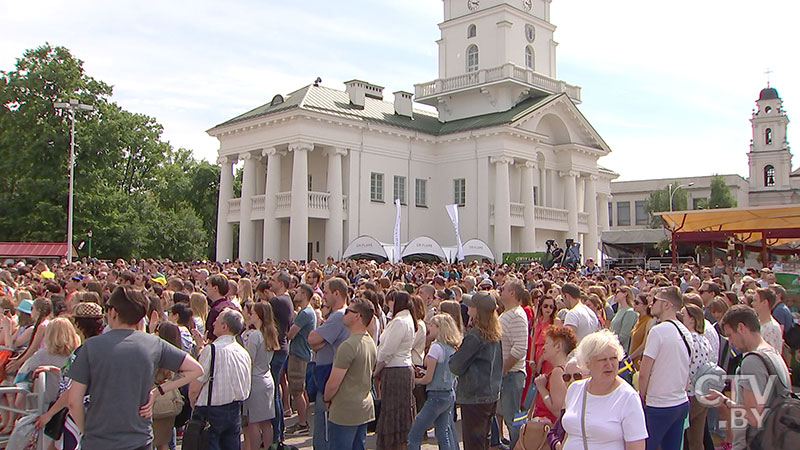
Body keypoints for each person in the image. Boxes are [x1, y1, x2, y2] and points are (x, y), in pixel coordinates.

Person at [68, 286, 204, 450]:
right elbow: (196, 369)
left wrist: (85, 432)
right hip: (139, 439)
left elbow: (74, 401)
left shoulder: (90, 347)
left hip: (98, 439)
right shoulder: (153, 343)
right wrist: (158, 391)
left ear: (113, 312)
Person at [704, 305, 791, 450]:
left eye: (730, 335)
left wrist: (725, 401)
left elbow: (753, 416)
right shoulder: (774, 353)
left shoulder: (752, 361)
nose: (730, 342)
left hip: (753, 442)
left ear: (741, 327)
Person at [561, 329, 648, 450]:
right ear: (588, 363)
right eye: (602, 360)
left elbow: (636, 446)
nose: (609, 364)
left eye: (613, 358)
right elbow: (570, 434)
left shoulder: (628, 397)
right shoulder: (574, 389)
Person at [189, 308, 252, 450]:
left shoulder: (212, 350)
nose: (213, 324)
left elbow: (195, 386)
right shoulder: (243, 353)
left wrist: (194, 403)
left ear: (224, 327)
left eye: (216, 321)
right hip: (234, 409)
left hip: (211, 410)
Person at [637, 286, 691, 450]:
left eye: (654, 300)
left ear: (666, 304)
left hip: (659, 404)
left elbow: (643, 373)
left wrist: (642, 397)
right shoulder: (685, 330)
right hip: (680, 401)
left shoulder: (658, 331)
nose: (650, 304)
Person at [449, 291, 503, 450]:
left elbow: (455, 366)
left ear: (478, 310)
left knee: (473, 444)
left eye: (471, 306)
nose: (467, 308)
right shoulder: (496, 333)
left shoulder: (476, 335)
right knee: (483, 441)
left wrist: (457, 353)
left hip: (474, 397)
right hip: (491, 394)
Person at [323, 299, 377, 450]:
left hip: (345, 411)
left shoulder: (348, 346)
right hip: (363, 407)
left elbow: (333, 383)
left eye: (348, 311)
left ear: (357, 316)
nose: (344, 314)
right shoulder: (369, 341)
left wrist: (326, 398)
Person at [308, 278, 351, 450]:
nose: (322, 296)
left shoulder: (339, 316)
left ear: (336, 293)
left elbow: (312, 338)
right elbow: (316, 342)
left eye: (325, 292)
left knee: (324, 433)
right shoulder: (341, 315)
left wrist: (319, 337)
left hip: (328, 377)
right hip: (330, 374)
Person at [408, 313, 461, 450]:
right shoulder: (452, 348)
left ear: (439, 328)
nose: (428, 327)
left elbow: (428, 378)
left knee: (414, 434)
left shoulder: (436, 347)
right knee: (443, 433)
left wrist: (415, 380)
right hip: (449, 393)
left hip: (436, 395)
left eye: (432, 325)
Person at [374, 290, 417, 450]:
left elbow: (387, 350)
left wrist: (376, 370)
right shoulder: (404, 319)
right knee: (398, 412)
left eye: (390, 302)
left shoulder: (400, 321)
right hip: (400, 367)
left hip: (396, 369)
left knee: (395, 412)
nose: (388, 305)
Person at [242, 302, 280, 450]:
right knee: (266, 422)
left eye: (252, 313)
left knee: (253, 422)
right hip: (266, 378)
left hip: (255, 381)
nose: (250, 316)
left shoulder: (255, 336)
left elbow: (248, 360)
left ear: (258, 315)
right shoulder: (270, 333)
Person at [497, 279, 529, 448]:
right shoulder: (507, 313)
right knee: (504, 415)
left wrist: (504, 368)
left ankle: (518, 446)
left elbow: (520, 348)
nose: (500, 290)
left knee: (513, 418)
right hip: (507, 374)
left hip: (511, 375)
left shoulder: (516, 315)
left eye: (504, 288)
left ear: (512, 293)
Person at [679, 303, 714, 450]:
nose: (680, 317)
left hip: (689, 394)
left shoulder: (687, 340)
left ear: (692, 319)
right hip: (702, 393)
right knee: (697, 440)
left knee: (680, 437)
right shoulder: (704, 340)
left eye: (683, 315)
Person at [286, 283, 317, 435]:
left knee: (297, 391)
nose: (295, 294)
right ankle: (302, 421)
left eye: (298, 292)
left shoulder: (305, 313)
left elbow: (291, 334)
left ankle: (302, 423)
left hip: (299, 354)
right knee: (301, 390)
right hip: (302, 353)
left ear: (304, 295)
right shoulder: (307, 312)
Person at [530, 325, 576, 423]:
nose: (543, 347)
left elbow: (557, 410)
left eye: (547, 343)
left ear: (558, 346)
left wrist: (541, 388)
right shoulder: (564, 370)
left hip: (548, 429)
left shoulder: (558, 372)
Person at [269, 271, 294, 441]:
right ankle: (278, 432)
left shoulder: (278, 301)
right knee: (276, 389)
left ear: (281, 283)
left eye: (273, 280)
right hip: (281, 347)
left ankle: (277, 433)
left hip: (277, 348)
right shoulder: (286, 300)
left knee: (274, 393)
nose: (270, 283)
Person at [152, 322, 183, 450]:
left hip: (156, 400)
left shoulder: (158, 353)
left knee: (153, 440)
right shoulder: (178, 354)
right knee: (165, 441)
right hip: (170, 400)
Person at [205, 274, 238, 340]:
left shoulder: (216, 310)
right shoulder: (232, 305)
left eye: (208, 285)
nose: (206, 288)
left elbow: (211, 337)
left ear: (215, 288)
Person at [751, 288, 783, 352]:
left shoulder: (772, 328)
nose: (752, 303)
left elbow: (770, 355)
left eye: (755, 300)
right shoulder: (756, 322)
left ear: (765, 302)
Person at [628, 293, 654, 369]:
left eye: (637, 303)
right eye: (634, 301)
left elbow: (644, 345)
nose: (634, 304)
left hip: (639, 362)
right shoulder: (638, 319)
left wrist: (630, 358)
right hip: (631, 361)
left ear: (646, 306)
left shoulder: (649, 321)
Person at [609, 286, 638, 353]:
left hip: (621, 351)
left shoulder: (630, 312)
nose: (615, 295)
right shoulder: (620, 310)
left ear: (625, 294)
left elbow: (624, 336)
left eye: (618, 292)